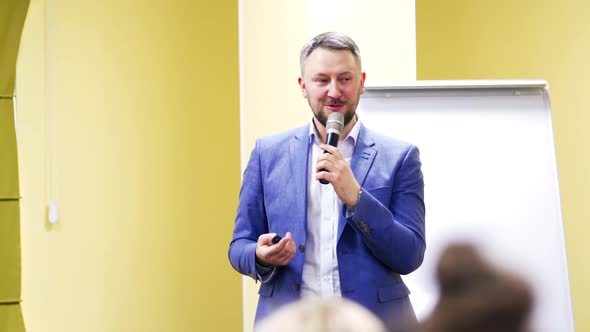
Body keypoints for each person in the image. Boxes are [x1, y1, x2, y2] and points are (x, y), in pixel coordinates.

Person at [228, 32, 426, 327]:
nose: (334, 91)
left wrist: (357, 199)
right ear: (303, 86)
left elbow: (409, 255)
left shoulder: (400, 156)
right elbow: (238, 247)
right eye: (322, 80)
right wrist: (260, 255)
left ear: (361, 82)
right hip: (290, 321)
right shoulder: (267, 153)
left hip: (374, 322)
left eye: (345, 79)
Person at [255, 297, 387, 332]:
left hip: (363, 315)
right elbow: (240, 246)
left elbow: (404, 257)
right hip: (293, 317)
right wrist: (258, 255)